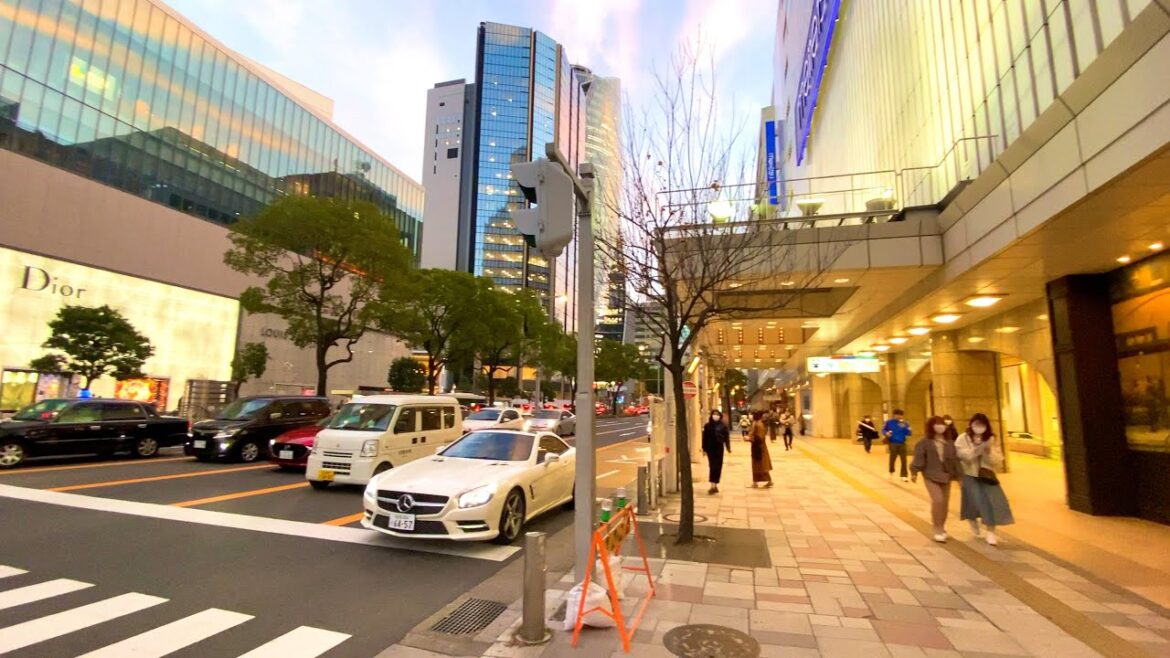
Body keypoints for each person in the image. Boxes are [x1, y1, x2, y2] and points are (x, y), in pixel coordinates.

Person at [955, 413, 1014, 546]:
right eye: (976, 424)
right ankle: (972, 519)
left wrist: (988, 451)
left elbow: (998, 460)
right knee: (974, 502)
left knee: (991, 502)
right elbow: (963, 456)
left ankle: (990, 531)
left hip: (987, 476)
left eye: (982, 425)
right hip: (970, 475)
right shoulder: (962, 438)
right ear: (971, 424)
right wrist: (977, 449)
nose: (979, 428)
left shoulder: (991, 439)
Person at [910, 415, 961, 542]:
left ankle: (942, 527)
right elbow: (919, 457)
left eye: (942, 424)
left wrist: (960, 477)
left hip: (946, 476)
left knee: (944, 504)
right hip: (930, 475)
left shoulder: (949, 443)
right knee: (938, 500)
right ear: (931, 426)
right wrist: (914, 471)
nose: (940, 427)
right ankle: (936, 528)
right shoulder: (924, 442)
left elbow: (955, 461)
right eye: (937, 424)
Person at [702, 410, 732, 494]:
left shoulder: (723, 426)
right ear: (711, 415)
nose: (715, 416)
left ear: (720, 416)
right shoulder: (707, 426)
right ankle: (713, 485)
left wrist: (728, 447)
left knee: (718, 467)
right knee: (712, 466)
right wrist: (704, 449)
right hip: (710, 449)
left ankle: (715, 484)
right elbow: (704, 438)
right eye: (714, 414)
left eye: (717, 414)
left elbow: (726, 437)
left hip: (719, 448)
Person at [882, 409, 912, 481]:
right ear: (894, 415)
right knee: (892, 459)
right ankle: (891, 472)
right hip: (893, 443)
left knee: (904, 460)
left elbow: (909, 433)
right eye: (897, 415)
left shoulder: (905, 423)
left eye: (900, 415)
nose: (899, 416)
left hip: (902, 443)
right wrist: (886, 433)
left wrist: (904, 427)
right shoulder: (889, 422)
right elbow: (883, 430)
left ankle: (904, 475)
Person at [747, 410, 774, 487]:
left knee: (760, 465)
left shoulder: (758, 424)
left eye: (752, 415)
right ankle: (757, 482)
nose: (750, 416)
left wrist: (749, 438)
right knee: (759, 465)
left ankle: (763, 481)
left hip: (759, 448)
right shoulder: (756, 423)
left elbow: (759, 437)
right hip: (757, 447)